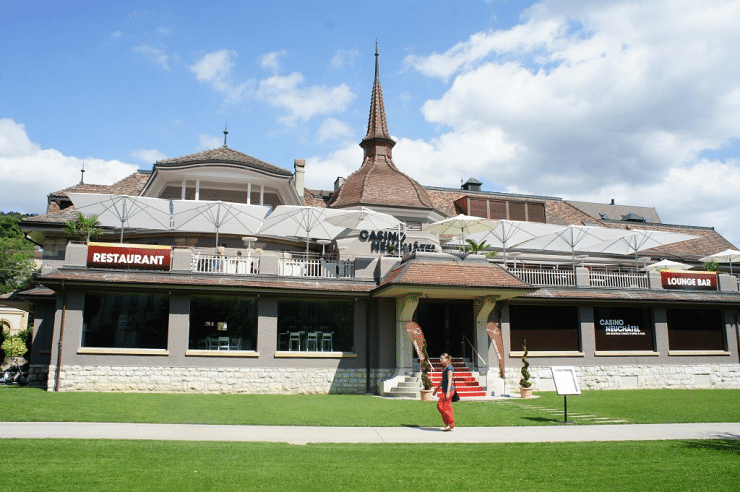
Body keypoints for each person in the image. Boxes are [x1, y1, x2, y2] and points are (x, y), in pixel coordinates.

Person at [433, 353, 455, 431]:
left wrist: (448, 392)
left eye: (442, 358)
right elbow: (442, 380)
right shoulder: (444, 368)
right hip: (444, 390)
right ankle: (448, 424)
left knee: (440, 406)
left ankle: (450, 423)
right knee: (446, 407)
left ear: (446, 359)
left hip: (448, 391)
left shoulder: (449, 368)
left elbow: (450, 381)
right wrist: (436, 389)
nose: (440, 360)